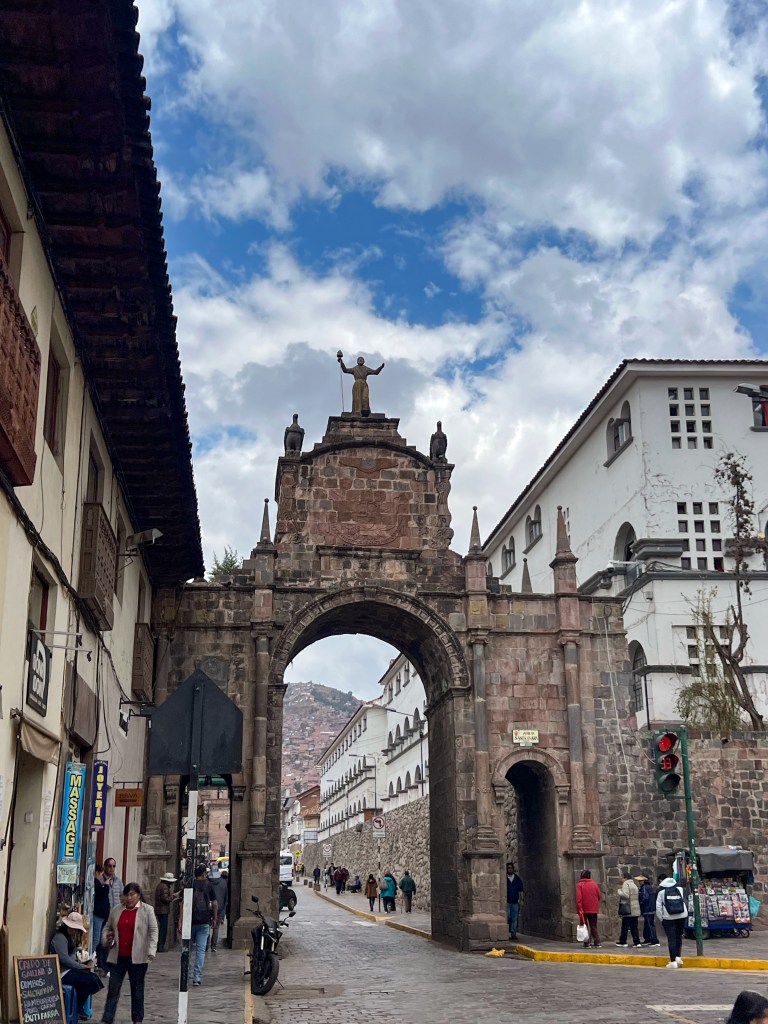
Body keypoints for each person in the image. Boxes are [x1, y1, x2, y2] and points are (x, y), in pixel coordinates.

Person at [100, 883, 158, 1024]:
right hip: (118, 956)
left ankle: (137, 1019)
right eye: (127, 895)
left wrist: (151, 950)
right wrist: (106, 938)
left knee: (137, 989)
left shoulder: (147, 910)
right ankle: (108, 1018)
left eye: (132, 894)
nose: (129, 898)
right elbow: (107, 926)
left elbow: (153, 930)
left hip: (138, 957)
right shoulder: (116, 910)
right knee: (113, 989)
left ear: (138, 895)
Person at [49, 911, 103, 1020]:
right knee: (90, 980)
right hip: (61, 973)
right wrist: (81, 966)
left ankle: (78, 1005)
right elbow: (64, 958)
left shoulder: (68, 938)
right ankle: (78, 1006)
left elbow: (72, 955)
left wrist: (81, 964)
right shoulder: (60, 938)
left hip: (68, 970)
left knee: (93, 979)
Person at [178, 864, 218, 986]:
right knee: (200, 950)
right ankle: (197, 977)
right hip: (204, 920)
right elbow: (215, 903)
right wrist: (214, 918)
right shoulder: (209, 885)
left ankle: (186, 974)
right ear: (204, 873)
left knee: (187, 949)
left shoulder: (190, 884)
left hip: (190, 920)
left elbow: (183, 903)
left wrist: (180, 920)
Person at [337, 353, 385, 417]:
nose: (360, 360)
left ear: (364, 361)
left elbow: (375, 372)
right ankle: (357, 412)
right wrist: (341, 362)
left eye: (361, 359)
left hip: (364, 383)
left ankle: (365, 410)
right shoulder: (354, 368)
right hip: (357, 383)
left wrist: (380, 367)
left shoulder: (366, 368)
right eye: (359, 359)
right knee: (357, 398)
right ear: (357, 361)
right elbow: (345, 370)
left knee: (365, 398)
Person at [656, 874, 688, 968]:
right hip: (682, 915)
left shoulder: (661, 892)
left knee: (671, 938)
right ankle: (678, 957)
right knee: (679, 936)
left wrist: (661, 918)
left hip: (668, 917)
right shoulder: (680, 890)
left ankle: (673, 961)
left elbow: (658, 907)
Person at [575, 869, 602, 948]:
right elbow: (599, 896)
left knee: (584, 926)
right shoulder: (594, 884)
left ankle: (587, 943)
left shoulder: (580, 885)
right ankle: (597, 942)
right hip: (593, 908)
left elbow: (579, 898)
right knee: (593, 925)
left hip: (583, 909)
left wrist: (579, 908)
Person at [93, 865, 111, 973]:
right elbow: (102, 893)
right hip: (98, 915)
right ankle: (93, 960)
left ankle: (98, 961)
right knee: (96, 939)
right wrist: (106, 886)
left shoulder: (98, 883)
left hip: (102, 916)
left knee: (100, 939)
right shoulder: (96, 882)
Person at [615, 873, 642, 948]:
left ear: (625, 878)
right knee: (634, 927)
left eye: (622, 878)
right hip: (635, 909)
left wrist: (619, 891)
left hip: (628, 909)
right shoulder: (634, 885)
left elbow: (626, 895)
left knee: (625, 926)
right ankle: (637, 942)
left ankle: (623, 941)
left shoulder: (626, 884)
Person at [153, 872, 176, 953]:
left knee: (162, 928)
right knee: (163, 929)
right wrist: (173, 896)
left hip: (160, 910)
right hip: (162, 910)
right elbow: (165, 899)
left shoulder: (161, 885)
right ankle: (160, 946)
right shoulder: (164, 887)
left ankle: (160, 945)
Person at [636, 874, 659, 947]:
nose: (639, 882)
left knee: (650, 924)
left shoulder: (645, 888)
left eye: (640, 881)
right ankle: (648, 939)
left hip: (648, 909)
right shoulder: (649, 887)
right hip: (650, 908)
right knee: (648, 924)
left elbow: (644, 898)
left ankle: (654, 940)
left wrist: (641, 903)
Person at [209, 869, 228, 951]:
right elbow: (226, 898)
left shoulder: (208, 882)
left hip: (208, 907)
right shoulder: (224, 883)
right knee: (216, 928)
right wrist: (223, 909)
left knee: (205, 927)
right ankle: (213, 946)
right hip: (219, 907)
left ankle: (205, 945)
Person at [506, 862, 524, 940]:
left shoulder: (517, 879)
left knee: (514, 918)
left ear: (513, 869)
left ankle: (513, 934)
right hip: (507, 902)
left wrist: (522, 899)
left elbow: (521, 890)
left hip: (515, 902)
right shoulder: (504, 879)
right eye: (508, 868)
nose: (510, 869)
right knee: (507, 917)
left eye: (511, 868)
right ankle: (506, 933)